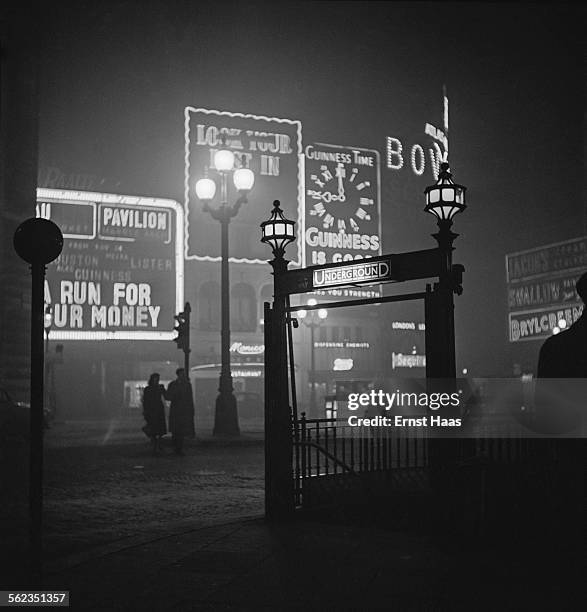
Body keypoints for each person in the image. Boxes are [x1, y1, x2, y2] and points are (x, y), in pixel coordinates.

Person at [166, 368, 195, 455]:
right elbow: (169, 397)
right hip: (177, 410)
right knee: (176, 431)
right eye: (182, 374)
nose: (183, 376)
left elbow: (189, 398)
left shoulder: (184, 385)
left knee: (180, 431)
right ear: (178, 375)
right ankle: (177, 448)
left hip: (180, 410)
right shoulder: (182, 385)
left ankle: (178, 448)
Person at [142, 373, 167, 455]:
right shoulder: (150, 389)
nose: (157, 381)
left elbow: (165, 396)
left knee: (157, 430)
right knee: (155, 429)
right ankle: (156, 446)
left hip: (156, 410)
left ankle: (156, 446)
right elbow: (145, 401)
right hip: (153, 410)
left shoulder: (151, 388)